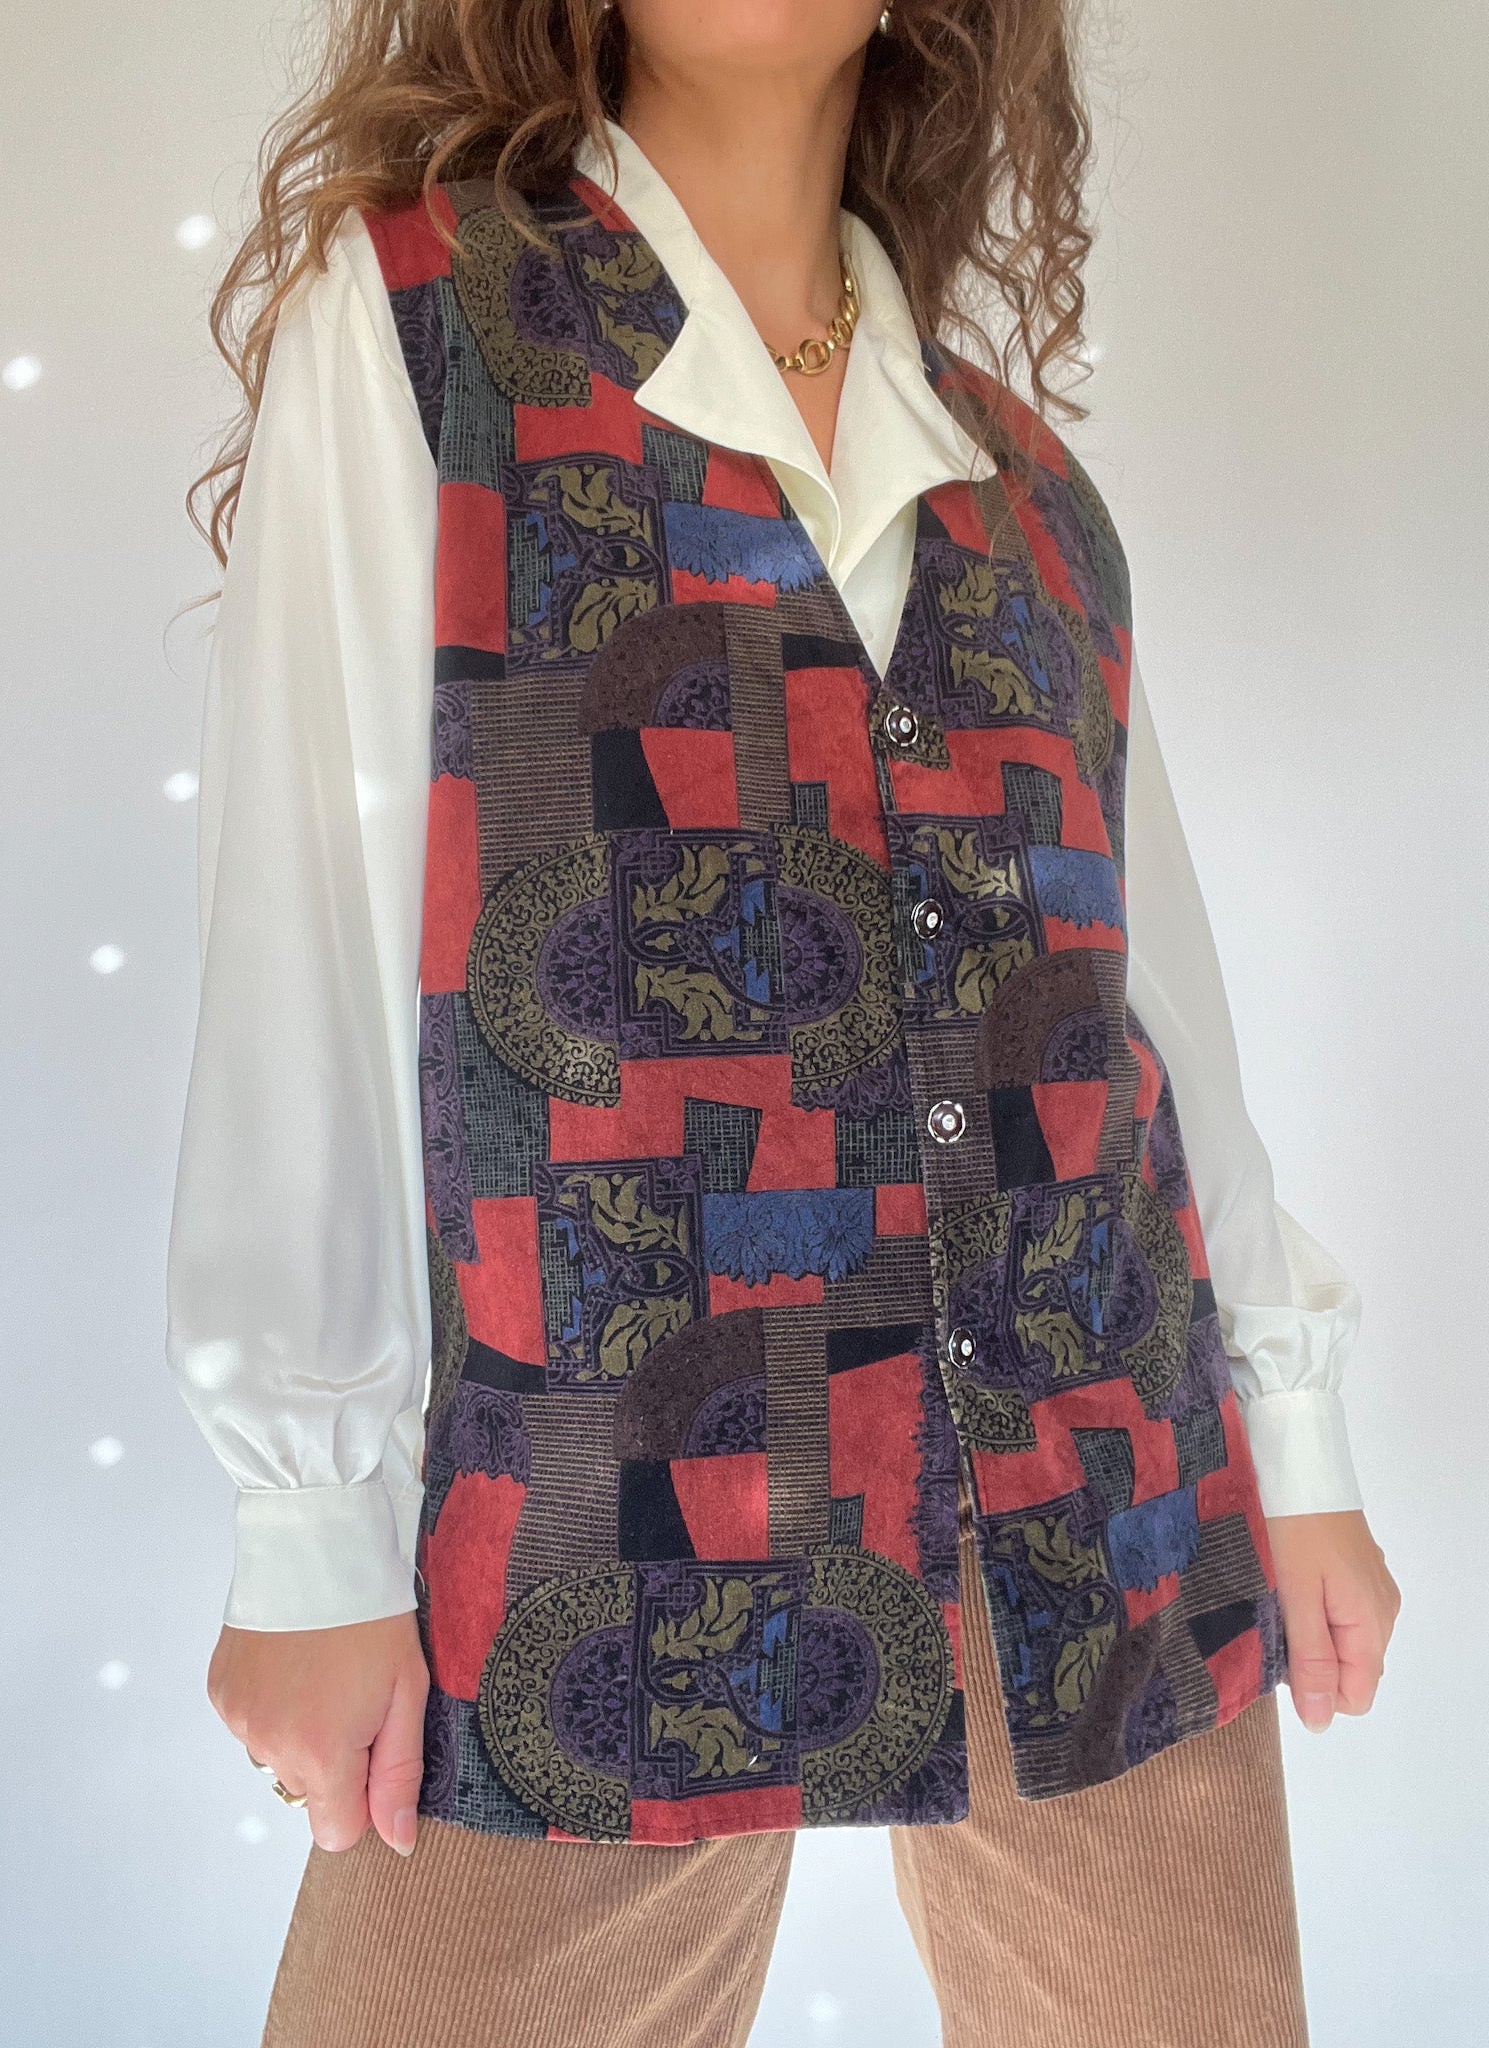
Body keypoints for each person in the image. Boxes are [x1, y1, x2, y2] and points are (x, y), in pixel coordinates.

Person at [166, 3, 1401, 2042]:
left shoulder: (1027, 484)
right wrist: (310, 1524)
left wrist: (1294, 1426)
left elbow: (1143, 988)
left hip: (1096, 1472)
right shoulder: (419, 331)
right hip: (604, 1503)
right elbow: (318, 906)